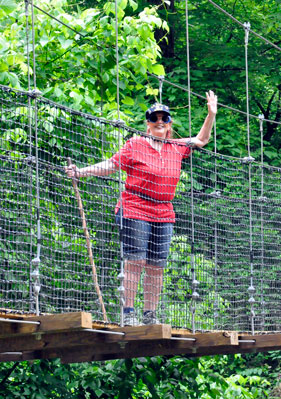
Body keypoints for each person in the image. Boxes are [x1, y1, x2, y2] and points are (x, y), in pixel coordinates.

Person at [66, 91, 217, 326]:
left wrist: (211, 114)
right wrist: (81, 172)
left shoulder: (176, 146)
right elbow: (111, 165)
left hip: (163, 211)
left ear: (169, 125)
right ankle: (128, 313)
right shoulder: (135, 144)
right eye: (154, 118)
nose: (159, 122)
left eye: (164, 119)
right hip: (135, 206)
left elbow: (201, 140)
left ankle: (150, 316)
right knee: (135, 260)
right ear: (148, 124)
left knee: (157, 265)